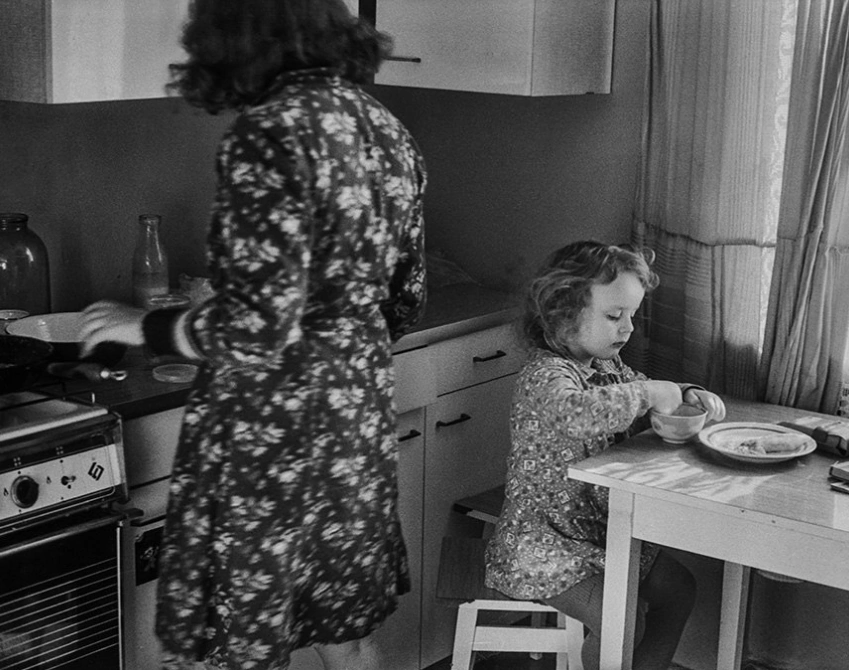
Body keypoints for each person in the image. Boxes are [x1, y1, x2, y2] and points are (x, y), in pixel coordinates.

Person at [79, 2, 427, 668]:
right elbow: (404, 298)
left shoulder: (267, 133)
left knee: (239, 635)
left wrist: (141, 323)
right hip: (355, 417)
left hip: (270, 434)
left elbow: (256, 329)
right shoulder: (385, 127)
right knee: (345, 630)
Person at [484, 240, 726, 670]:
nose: (628, 328)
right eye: (614, 316)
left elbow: (640, 394)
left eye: (631, 315)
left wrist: (684, 394)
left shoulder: (608, 368)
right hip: (542, 544)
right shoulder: (545, 375)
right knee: (622, 616)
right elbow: (578, 413)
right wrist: (648, 393)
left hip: (596, 534)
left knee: (680, 590)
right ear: (562, 316)